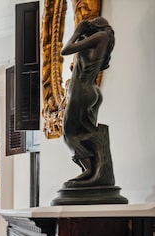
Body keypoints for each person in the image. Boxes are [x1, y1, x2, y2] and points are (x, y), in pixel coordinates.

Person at [61, 17, 114, 184]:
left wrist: (77, 32)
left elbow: (66, 49)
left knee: (69, 133)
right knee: (86, 133)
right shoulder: (102, 39)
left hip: (82, 92)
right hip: (89, 91)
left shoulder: (101, 37)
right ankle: (95, 170)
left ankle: (90, 169)